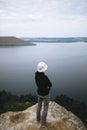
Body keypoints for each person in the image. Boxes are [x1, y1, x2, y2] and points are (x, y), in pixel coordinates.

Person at [35, 61, 52, 126]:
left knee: (39, 106)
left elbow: (37, 84)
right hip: (45, 94)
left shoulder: (36, 75)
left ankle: (38, 119)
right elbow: (50, 84)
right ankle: (43, 123)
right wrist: (48, 88)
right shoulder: (45, 77)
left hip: (39, 93)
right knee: (45, 107)